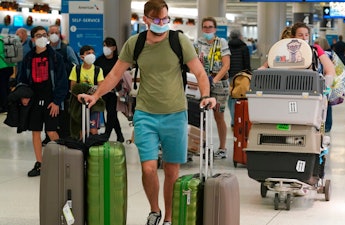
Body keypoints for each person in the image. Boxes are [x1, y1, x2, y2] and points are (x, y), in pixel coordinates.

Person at [78, 1, 216, 224]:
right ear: (146, 20)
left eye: (165, 19)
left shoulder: (178, 40)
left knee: (172, 171)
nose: (163, 24)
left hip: (175, 114)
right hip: (145, 114)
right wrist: (95, 94)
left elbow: (199, 73)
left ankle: (169, 217)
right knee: (149, 168)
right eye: (158, 20)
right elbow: (114, 75)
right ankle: (155, 210)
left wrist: (207, 94)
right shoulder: (136, 43)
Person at [18, 25, 69, 177]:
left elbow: (62, 82)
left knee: (52, 131)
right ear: (33, 39)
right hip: (34, 100)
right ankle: (40, 163)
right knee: (35, 132)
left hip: (50, 101)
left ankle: (63, 161)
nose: (42, 38)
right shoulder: (28, 57)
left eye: (44, 35)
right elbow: (23, 79)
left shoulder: (55, 57)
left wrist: (57, 101)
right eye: (38, 35)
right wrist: (24, 95)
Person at [194, 16, 231, 159]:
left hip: (219, 84)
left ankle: (222, 148)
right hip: (203, 82)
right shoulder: (198, 43)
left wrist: (214, 80)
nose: (207, 29)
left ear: (215, 29)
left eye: (210, 27)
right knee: (199, 115)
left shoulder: (221, 42)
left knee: (218, 116)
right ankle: (199, 145)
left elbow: (226, 65)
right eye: (205, 27)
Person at [41, 24, 80, 144]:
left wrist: (61, 66)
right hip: (49, 87)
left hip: (64, 87)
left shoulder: (66, 49)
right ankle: (49, 136)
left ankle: (65, 136)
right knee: (49, 113)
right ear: (48, 35)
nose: (53, 35)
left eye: (56, 33)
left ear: (60, 35)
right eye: (51, 33)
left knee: (63, 114)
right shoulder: (44, 49)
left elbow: (76, 66)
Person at [94, 37, 124, 142]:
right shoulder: (99, 60)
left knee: (112, 112)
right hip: (102, 90)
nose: (105, 48)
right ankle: (119, 135)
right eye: (104, 45)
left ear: (114, 48)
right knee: (110, 113)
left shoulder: (118, 60)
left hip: (114, 92)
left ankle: (107, 134)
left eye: (108, 45)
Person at [69, 45, 104, 136]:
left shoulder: (98, 70)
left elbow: (100, 87)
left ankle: (92, 146)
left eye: (93, 53)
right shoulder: (76, 69)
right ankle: (82, 148)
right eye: (88, 53)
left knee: (93, 129)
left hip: (94, 102)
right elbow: (73, 87)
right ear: (82, 57)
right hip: (79, 103)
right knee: (82, 130)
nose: (91, 55)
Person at [227, 29, 251, 128]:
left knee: (231, 97)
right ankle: (237, 120)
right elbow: (247, 63)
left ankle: (233, 120)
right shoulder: (244, 47)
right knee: (239, 98)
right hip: (241, 76)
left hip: (229, 76)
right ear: (240, 36)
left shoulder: (227, 47)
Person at [314, 37, 334, 133]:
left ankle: (325, 125)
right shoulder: (331, 54)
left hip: (326, 83)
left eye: (318, 44)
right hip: (327, 83)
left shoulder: (325, 54)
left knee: (326, 103)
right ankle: (326, 126)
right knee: (327, 103)